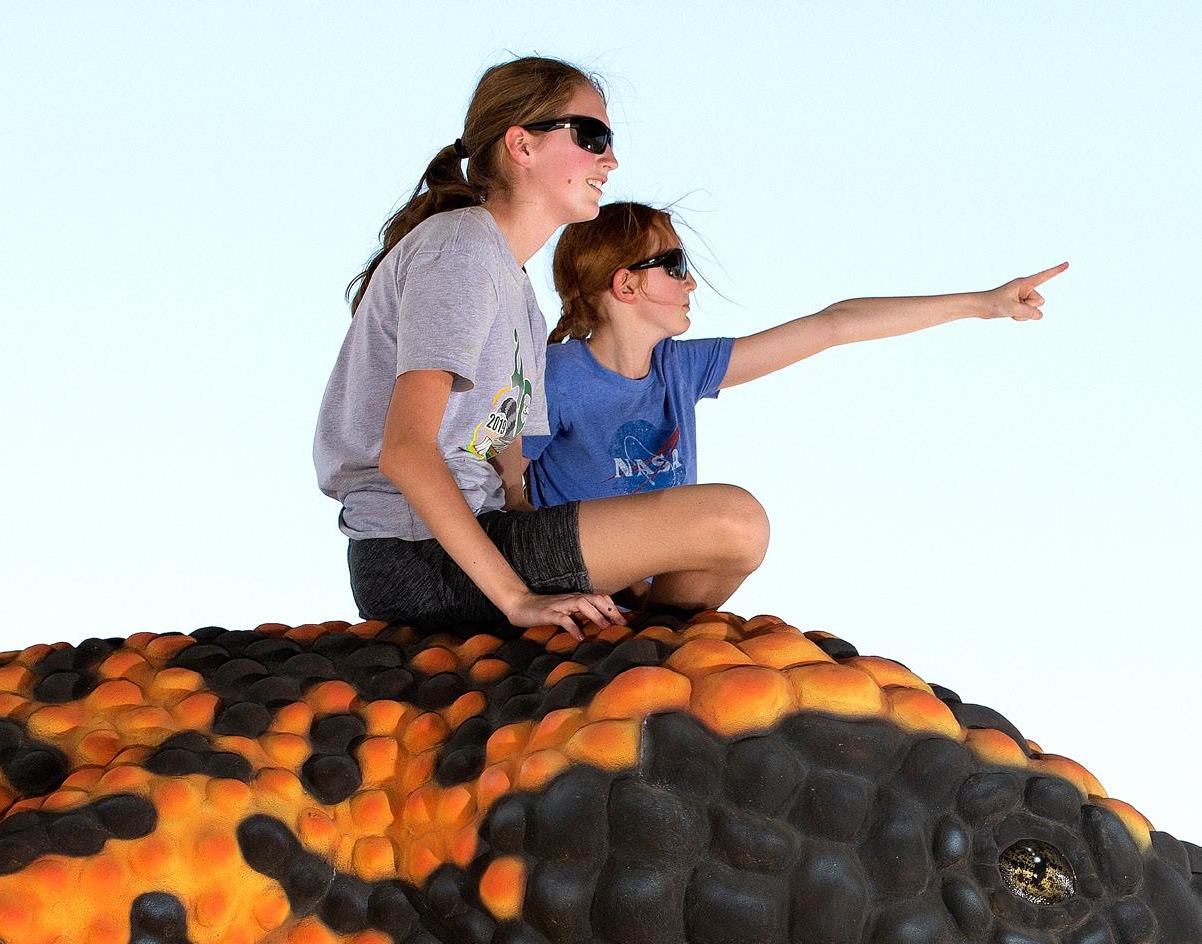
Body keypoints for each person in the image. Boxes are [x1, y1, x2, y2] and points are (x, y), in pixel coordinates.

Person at [314, 60, 769, 640]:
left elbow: (508, 470)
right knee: (733, 520)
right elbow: (405, 452)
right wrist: (519, 598)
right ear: (522, 145)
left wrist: (609, 558)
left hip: (484, 534)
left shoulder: (519, 292)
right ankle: (637, 650)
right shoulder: (459, 250)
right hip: (414, 555)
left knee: (726, 540)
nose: (611, 160)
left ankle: (631, 648)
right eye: (592, 137)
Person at [525, 203, 1067, 572]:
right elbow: (503, 490)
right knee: (734, 514)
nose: (690, 282)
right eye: (674, 264)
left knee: (739, 545)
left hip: (646, 586)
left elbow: (833, 325)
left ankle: (662, 627)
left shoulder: (681, 368)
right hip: (570, 566)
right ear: (625, 284)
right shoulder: (557, 376)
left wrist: (983, 304)